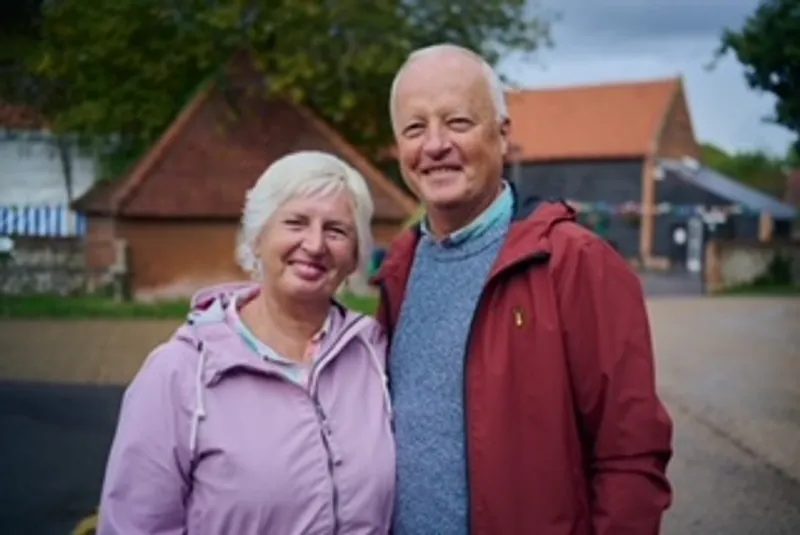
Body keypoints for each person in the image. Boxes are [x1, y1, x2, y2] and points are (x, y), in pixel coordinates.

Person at [375, 44, 673, 534]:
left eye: (457, 122)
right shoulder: (399, 271)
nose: (434, 145)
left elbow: (630, 455)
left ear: (503, 134)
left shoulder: (576, 262)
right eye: (414, 128)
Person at [97, 151, 396, 535]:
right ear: (258, 238)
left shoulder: (375, 357)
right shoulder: (181, 373)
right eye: (295, 223)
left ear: (355, 255)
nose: (315, 244)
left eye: (337, 230)